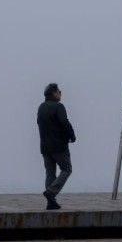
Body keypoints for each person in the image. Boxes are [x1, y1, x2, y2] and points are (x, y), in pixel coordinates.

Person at [37, 82, 75, 210]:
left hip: (45, 147)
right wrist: (72, 135)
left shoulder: (41, 107)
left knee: (50, 173)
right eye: (59, 91)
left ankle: (50, 202)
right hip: (58, 146)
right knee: (67, 169)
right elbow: (64, 122)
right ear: (53, 93)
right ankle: (51, 192)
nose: (60, 93)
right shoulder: (59, 106)